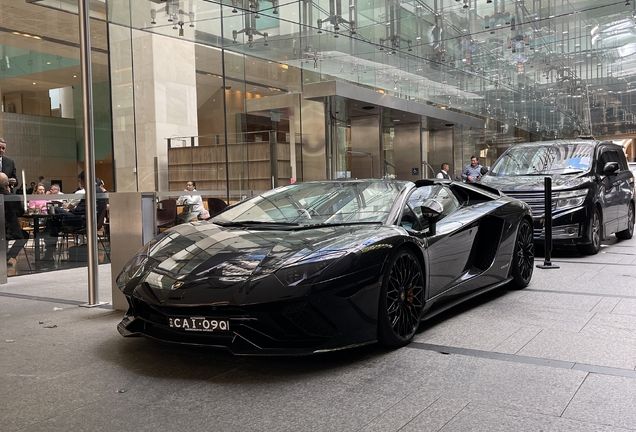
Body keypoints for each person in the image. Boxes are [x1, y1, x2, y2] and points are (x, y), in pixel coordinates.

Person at [43, 171, 107, 260]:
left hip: (80, 223)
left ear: (85, 181)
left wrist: (70, 211)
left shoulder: (92, 191)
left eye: (81, 182)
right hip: (84, 221)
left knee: (55, 212)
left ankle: (48, 252)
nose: (82, 185)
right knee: (53, 223)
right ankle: (48, 251)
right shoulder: (97, 191)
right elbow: (82, 209)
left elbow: (79, 210)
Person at [0, 172, 28, 266]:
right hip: (10, 228)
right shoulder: (13, 197)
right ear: (7, 184)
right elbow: (20, 212)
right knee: (24, 236)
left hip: (4, 229)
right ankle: (8, 256)